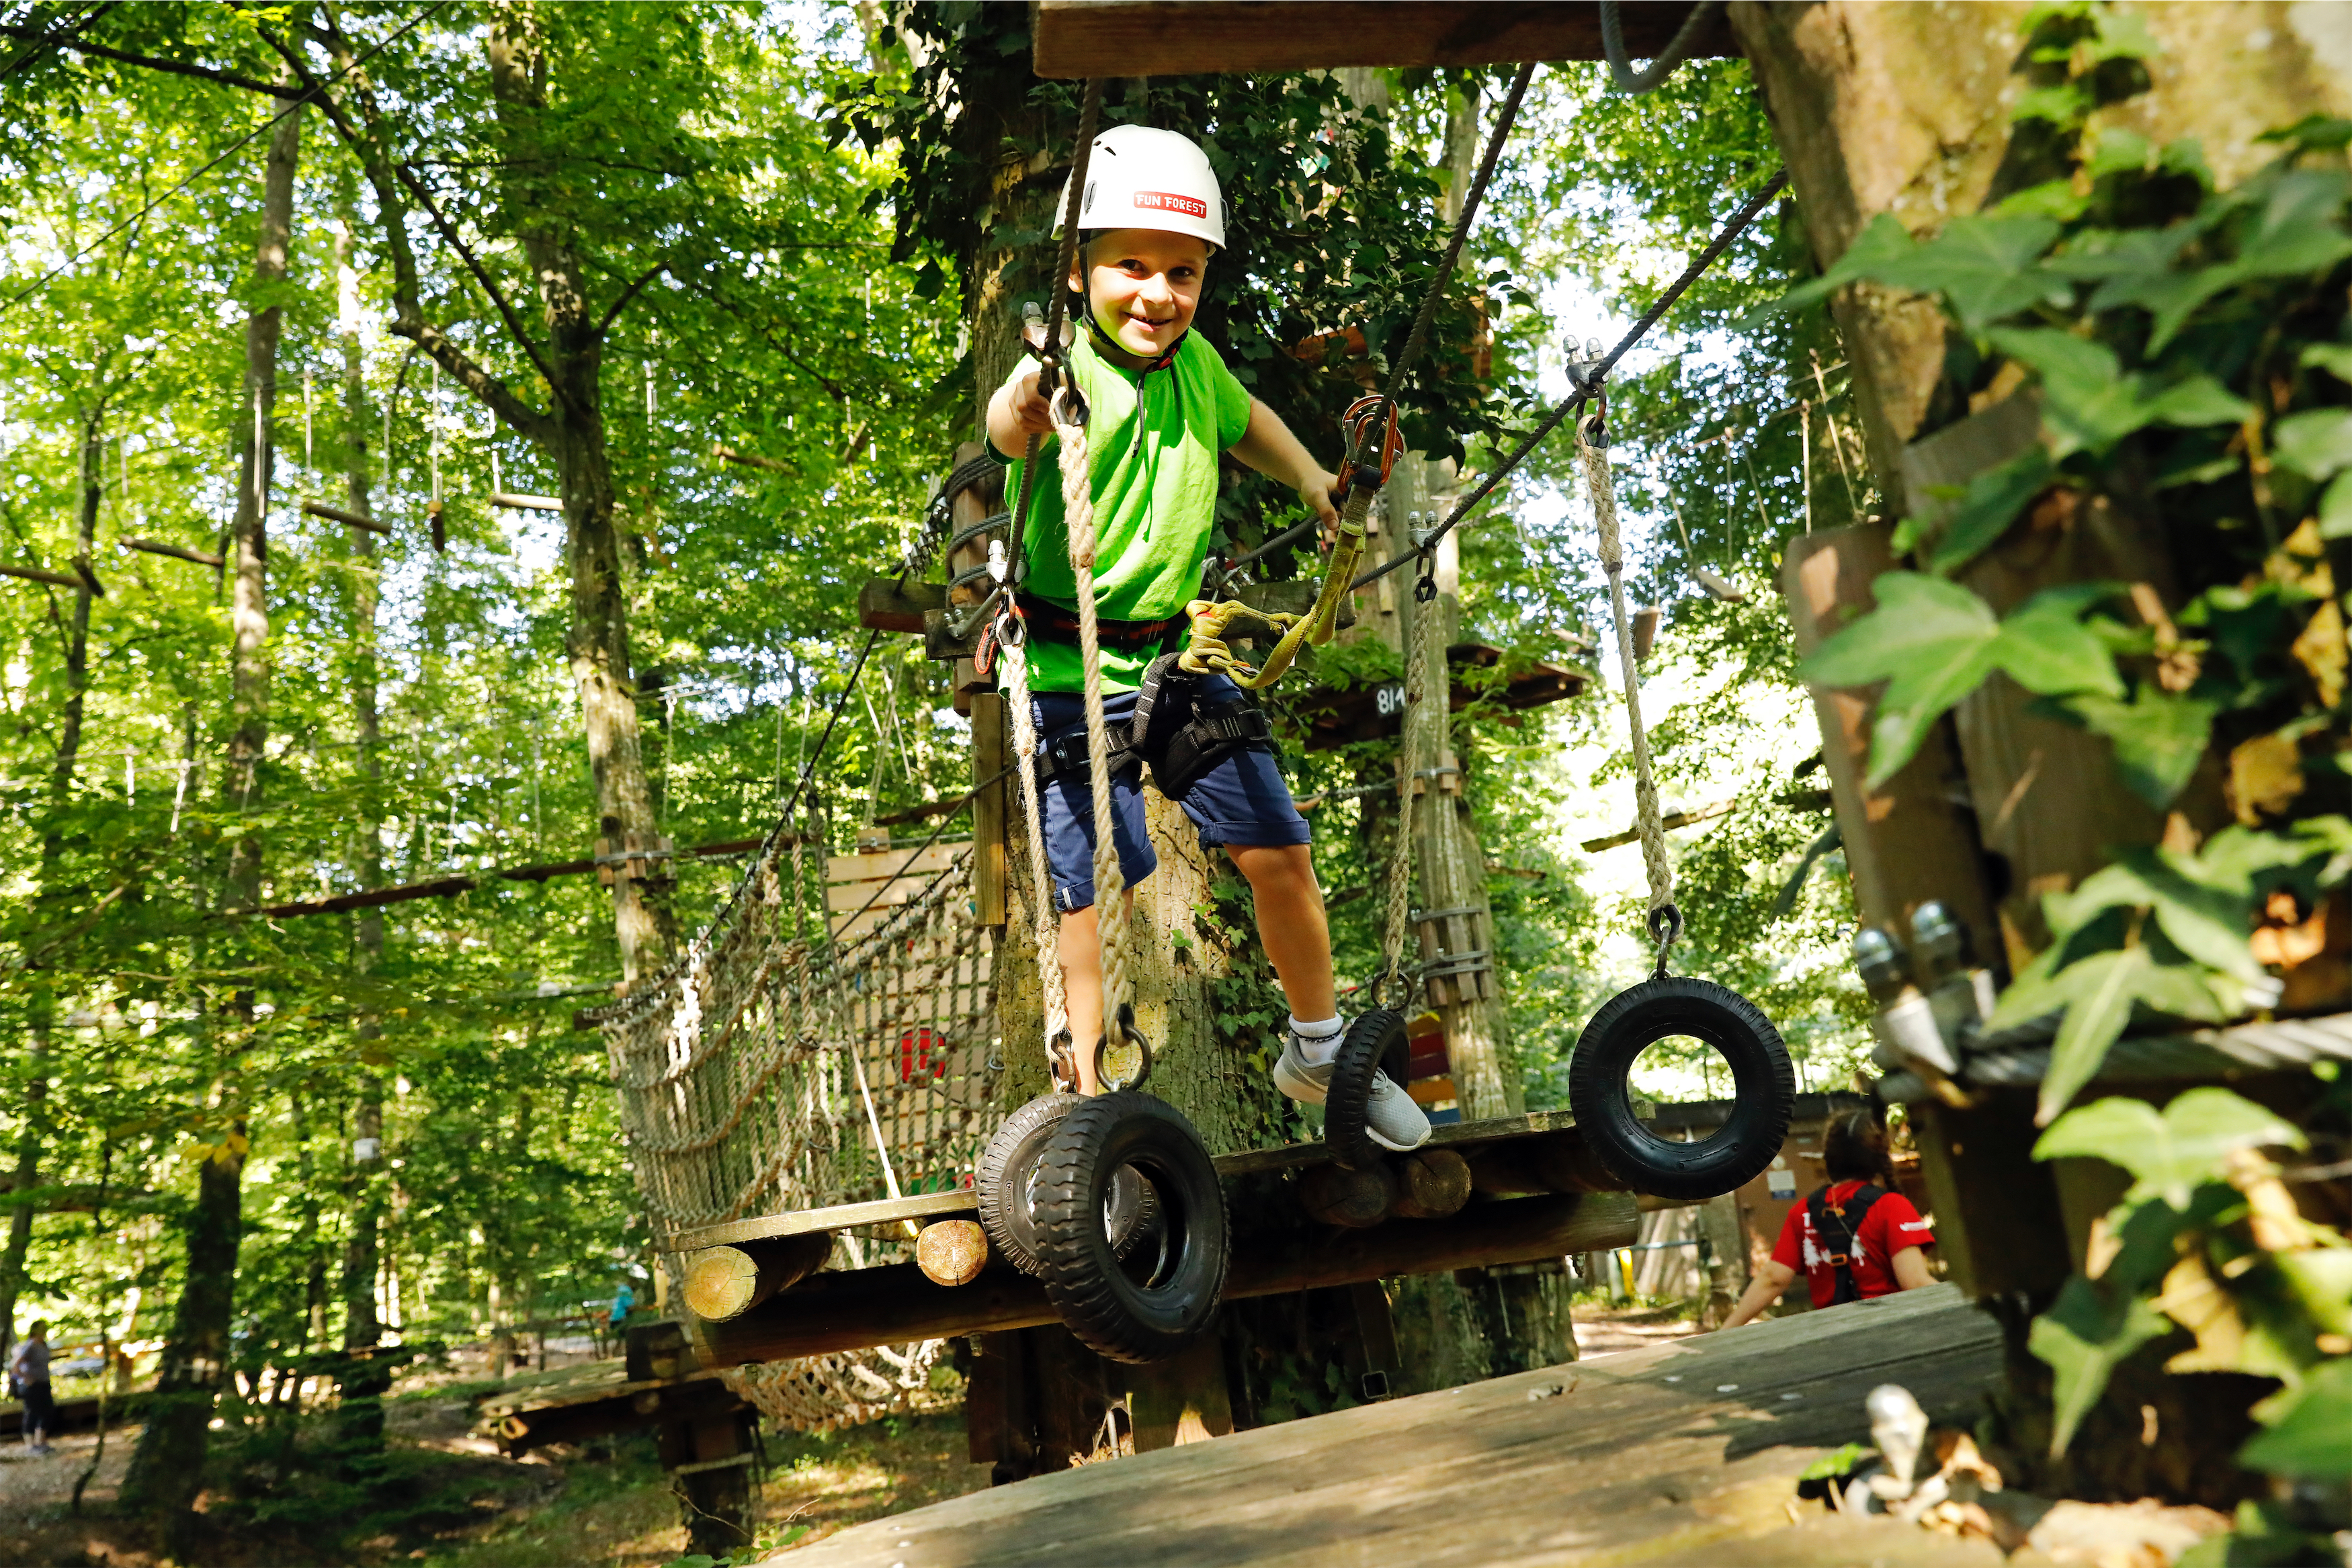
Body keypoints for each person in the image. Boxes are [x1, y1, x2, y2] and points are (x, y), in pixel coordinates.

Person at [986, 124, 1428, 1151]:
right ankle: (1089, 1101)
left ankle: (1316, 1051)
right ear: (1080, 269)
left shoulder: (1200, 369)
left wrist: (1318, 480)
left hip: (1179, 661)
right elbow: (1012, 428)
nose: (1157, 293)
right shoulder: (1063, 373)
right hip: (1068, 665)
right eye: (1130, 265)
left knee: (1279, 846)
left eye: (1181, 272)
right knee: (1092, 887)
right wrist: (1029, 386)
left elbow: (1251, 419)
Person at [1720, 1110, 1935, 1327]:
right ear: (1879, 1157)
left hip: (1832, 1335)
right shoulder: (1892, 1206)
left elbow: (1773, 1278)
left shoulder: (1803, 1212)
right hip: (1891, 1331)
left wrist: (1725, 1332)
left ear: (1829, 1157)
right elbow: (1915, 1281)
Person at [10, 1319, 53, 1456]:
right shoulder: (30, 1346)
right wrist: (26, 1378)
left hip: (44, 1383)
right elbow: (15, 1366)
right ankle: (30, 1446)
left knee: (47, 1411)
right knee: (32, 1413)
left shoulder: (44, 1345)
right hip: (31, 1386)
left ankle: (41, 1442)